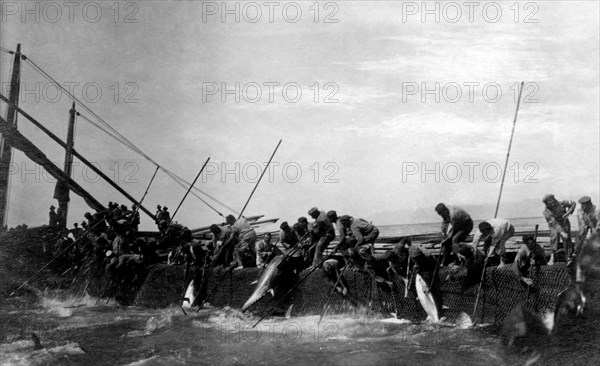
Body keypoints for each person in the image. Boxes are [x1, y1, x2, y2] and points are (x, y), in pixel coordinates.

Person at [543, 194, 576, 263]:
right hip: (554, 225)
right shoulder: (546, 212)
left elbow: (573, 203)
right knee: (554, 237)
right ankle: (553, 256)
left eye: (553, 202)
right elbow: (554, 223)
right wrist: (562, 232)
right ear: (546, 204)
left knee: (567, 239)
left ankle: (569, 256)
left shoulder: (561, 203)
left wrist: (568, 213)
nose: (552, 205)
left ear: (555, 200)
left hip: (564, 222)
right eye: (549, 204)